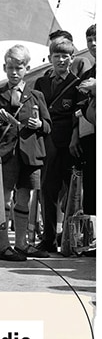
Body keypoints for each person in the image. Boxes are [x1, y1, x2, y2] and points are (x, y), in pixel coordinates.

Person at [0, 44, 51, 260]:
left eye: (19, 68)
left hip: (29, 155)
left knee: (24, 198)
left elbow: (49, 127)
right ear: (4, 67)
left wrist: (39, 123)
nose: (14, 72)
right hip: (6, 155)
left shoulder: (36, 95)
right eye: (10, 68)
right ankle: (3, 246)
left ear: (27, 68)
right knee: (3, 200)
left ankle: (21, 244)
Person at [34, 35, 81, 254]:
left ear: (72, 58)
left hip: (69, 143)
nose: (61, 60)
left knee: (71, 195)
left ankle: (70, 239)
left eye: (65, 56)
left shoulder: (77, 84)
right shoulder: (41, 83)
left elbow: (77, 115)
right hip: (47, 141)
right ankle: (49, 238)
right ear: (50, 57)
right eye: (57, 56)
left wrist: (74, 137)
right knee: (48, 192)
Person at [75, 24, 96, 218]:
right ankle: (94, 241)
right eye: (90, 40)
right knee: (91, 190)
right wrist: (75, 136)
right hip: (90, 138)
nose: (94, 43)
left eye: (97, 38)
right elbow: (79, 109)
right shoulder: (87, 75)